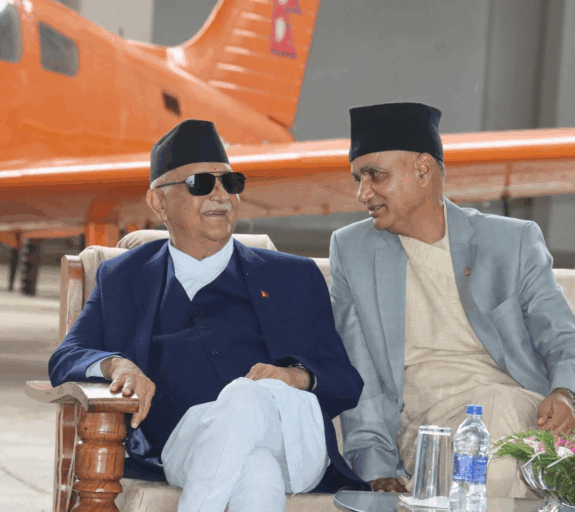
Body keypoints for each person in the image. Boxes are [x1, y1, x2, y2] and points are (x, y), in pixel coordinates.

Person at [49, 120, 369, 512]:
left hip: (292, 440)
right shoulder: (124, 277)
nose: (222, 195)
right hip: (183, 446)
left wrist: (294, 377)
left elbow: (345, 381)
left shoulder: (292, 276)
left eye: (231, 183)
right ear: (158, 202)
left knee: (244, 397)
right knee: (257, 473)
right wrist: (117, 364)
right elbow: (66, 357)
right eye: (201, 183)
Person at [329, 102, 575, 497]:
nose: (362, 193)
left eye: (375, 175)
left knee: (494, 411)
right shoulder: (353, 250)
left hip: (519, 413)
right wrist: (375, 467)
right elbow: (359, 371)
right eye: (358, 178)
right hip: (426, 433)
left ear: (423, 170)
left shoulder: (510, 241)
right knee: (486, 432)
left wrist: (566, 396)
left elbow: (567, 339)